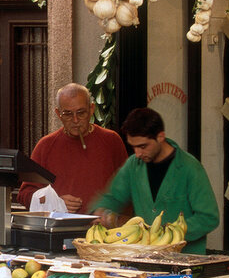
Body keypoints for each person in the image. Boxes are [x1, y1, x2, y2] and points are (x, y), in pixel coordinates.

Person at [92, 107, 220, 254]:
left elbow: (208, 218)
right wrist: (99, 211)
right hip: (144, 258)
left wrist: (169, 232)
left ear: (160, 137)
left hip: (186, 260)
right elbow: (113, 197)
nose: (138, 153)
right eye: (133, 147)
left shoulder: (190, 167)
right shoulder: (133, 164)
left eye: (143, 146)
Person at [17, 83, 128, 214]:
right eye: (68, 114)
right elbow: (25, 194)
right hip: (61, 230)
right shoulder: (46, 146)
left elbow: (128, 187)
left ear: (91, 109)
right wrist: (56, 202)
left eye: (81, 113)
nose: (75, 120)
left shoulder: (111, 141)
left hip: (104, 230)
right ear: (58, 114)